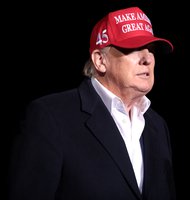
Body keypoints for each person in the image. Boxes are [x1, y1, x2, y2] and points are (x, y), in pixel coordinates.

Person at [9, 6, 176, 200]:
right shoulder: (50, 117)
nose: (147, 58)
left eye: (151, 50)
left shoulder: (157, 126)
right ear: (100, 60)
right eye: (134, 48)